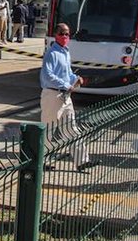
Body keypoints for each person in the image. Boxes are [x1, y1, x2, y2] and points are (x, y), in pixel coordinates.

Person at [39, 22, 96, 172]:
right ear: (56, 35)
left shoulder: (65, 52)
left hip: (65, 96)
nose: (65, 36)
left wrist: (76, 78)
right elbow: (47, 76)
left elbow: (67, 73)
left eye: (67, 34)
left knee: (72, 129)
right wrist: (66, 85)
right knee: (49, 129)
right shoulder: (51, 53)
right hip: (52, 95)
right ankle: (42, 161)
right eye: (62, 33)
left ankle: (82, 161)